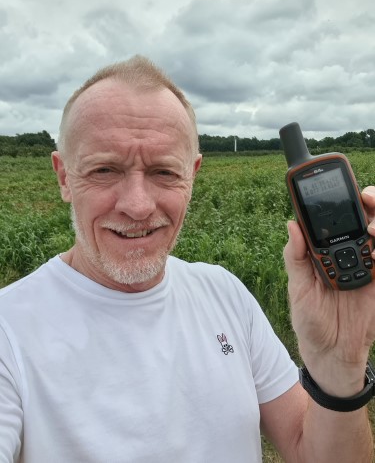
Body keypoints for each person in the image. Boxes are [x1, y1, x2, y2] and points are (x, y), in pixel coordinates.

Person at [0, 55, 374, 462]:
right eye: (105, 170)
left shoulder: (225, 293)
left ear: (192, 175)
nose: (138, 205)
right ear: (63, 177)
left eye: (164, 172)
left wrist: (339, 366)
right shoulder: (10, 331)